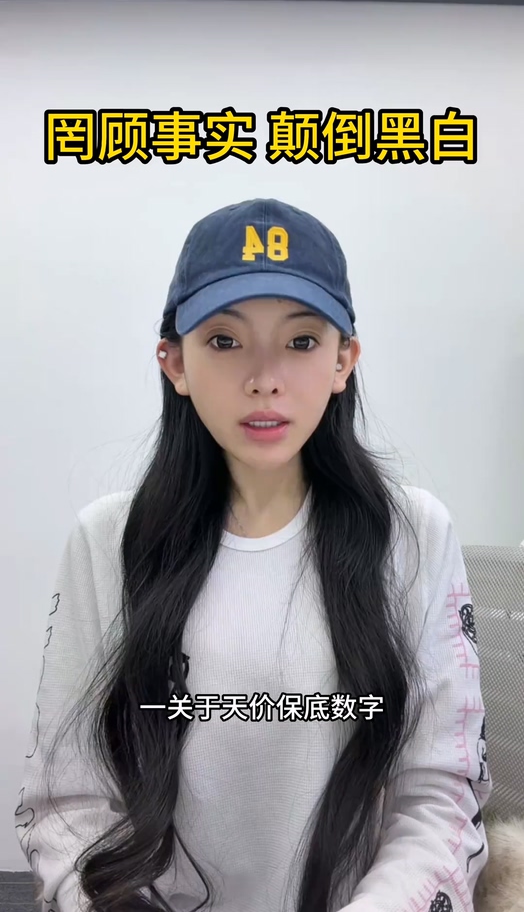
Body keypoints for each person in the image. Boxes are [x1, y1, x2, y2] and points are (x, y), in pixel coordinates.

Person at [15, 198, 493, 912]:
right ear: (175, 362)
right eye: (224, 340)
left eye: (301, 341)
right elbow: (67, 803)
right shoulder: (107, 540)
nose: (265, 378)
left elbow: (439, 796)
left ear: (344, 360)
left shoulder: (413, 533)